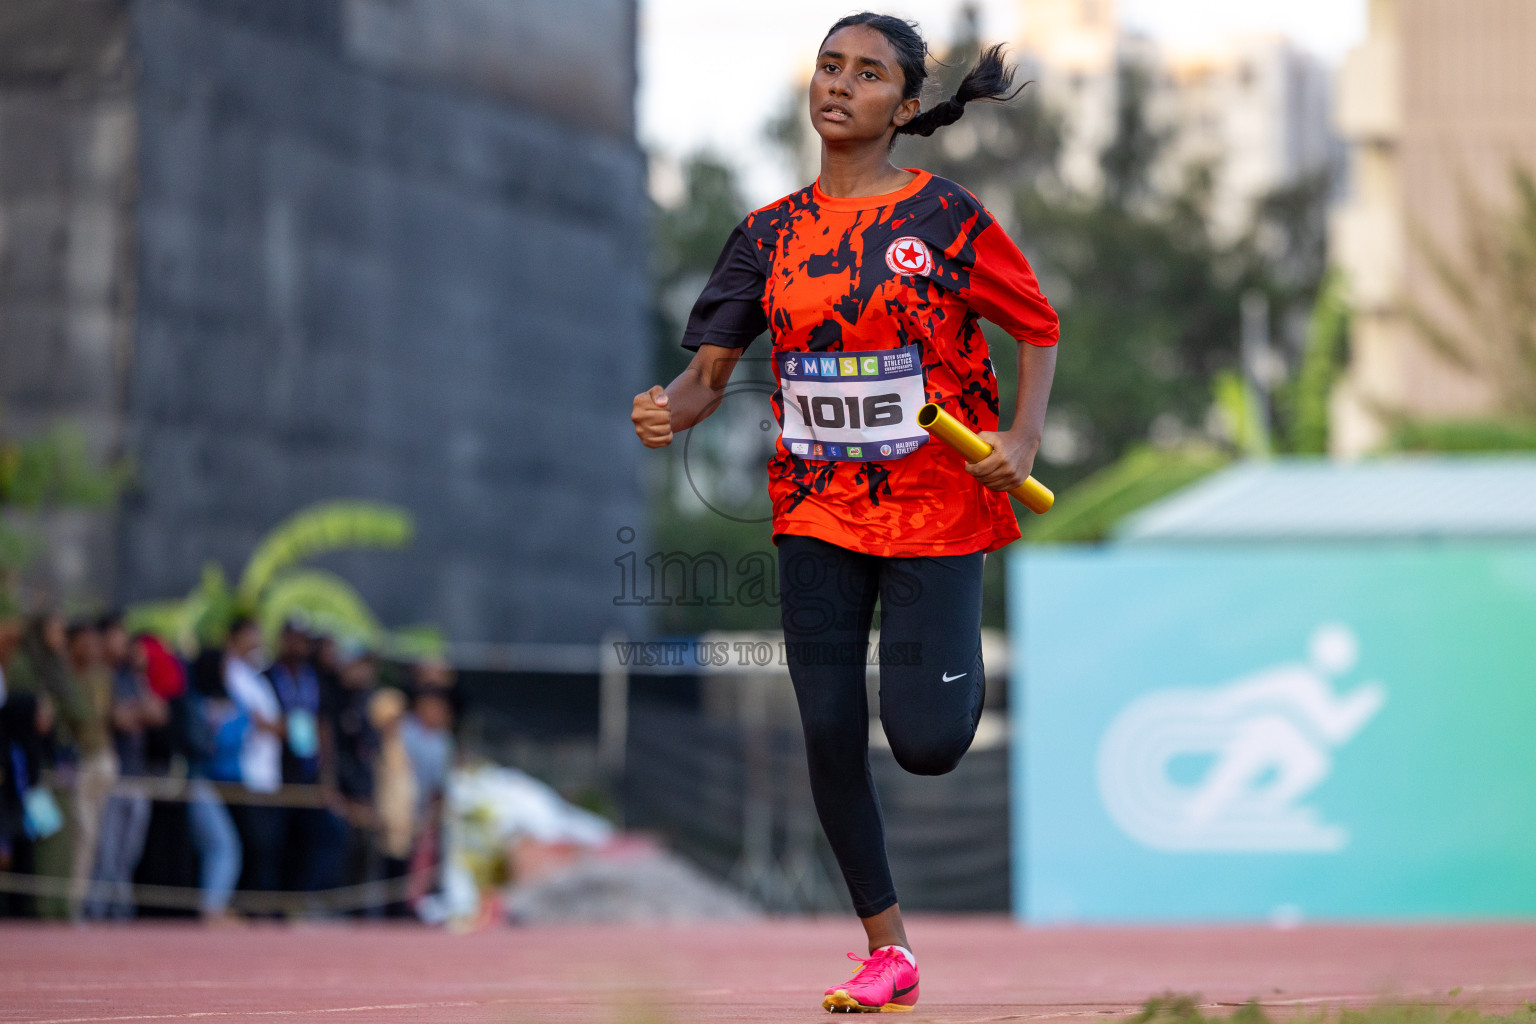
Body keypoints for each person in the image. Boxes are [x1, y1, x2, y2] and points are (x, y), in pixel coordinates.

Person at [631, 12, 1058, 1013]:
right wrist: (669, 409)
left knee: (925, 741)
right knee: (826, 723)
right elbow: (706, 380)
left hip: (938, 511)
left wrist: (1023, 440)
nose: (839, 85)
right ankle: (888, 948)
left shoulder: (944, 219)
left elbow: (1037, 323)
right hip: (817, 509)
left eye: (868, 75)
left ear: (905, 108)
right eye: (829, 67)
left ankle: (954, 673)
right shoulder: (769, 236)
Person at [221, 617, 285, 898]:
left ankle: (258, 907)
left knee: (266, 847)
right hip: (243, 772)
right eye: (250, 637)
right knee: (250, 845)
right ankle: (243, 905)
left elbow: (280, 725)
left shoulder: (258, 678)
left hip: (266, 774)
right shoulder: (231, 674)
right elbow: (258, 721)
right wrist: (273, 725)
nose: (256, 644)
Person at [65, 618, 117, 918]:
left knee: (97, 838)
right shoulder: (66, 676)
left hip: (102, 760)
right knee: (81, 834)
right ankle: (72, 904)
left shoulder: (102, 676)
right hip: (78, 763)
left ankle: (89, 903)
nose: (91, 649)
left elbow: (104, 719)